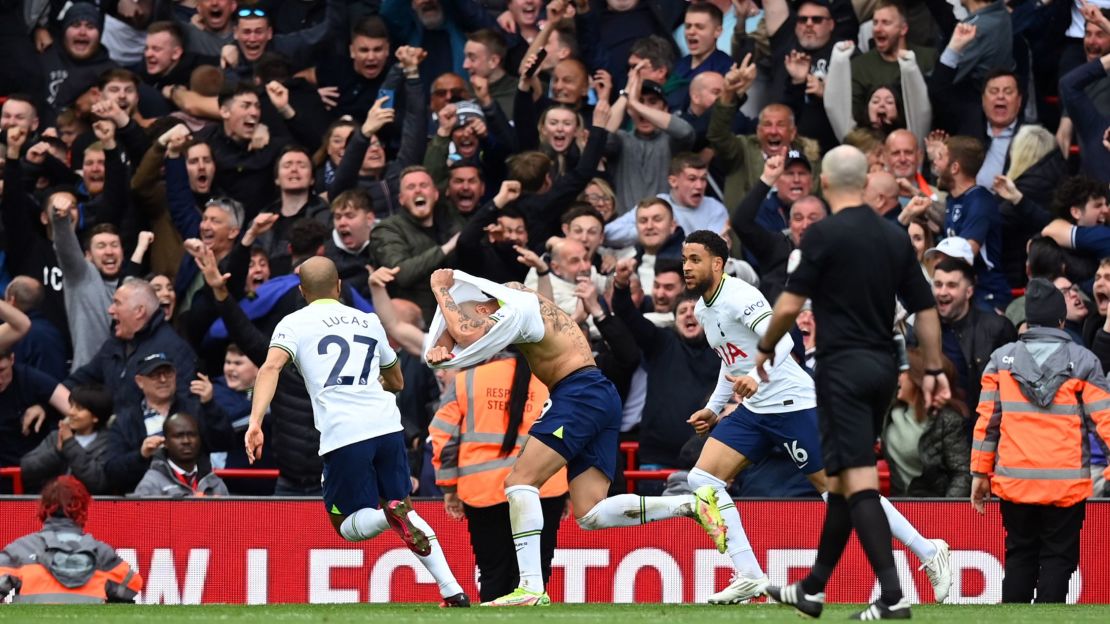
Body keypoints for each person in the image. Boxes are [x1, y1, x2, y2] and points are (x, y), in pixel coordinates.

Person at [423, 268, 727, 606]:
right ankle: (690, 503)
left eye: (478, 310)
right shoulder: (520, 301)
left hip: (577, 393)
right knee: (590, 512)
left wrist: (439, 289)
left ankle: (530, 589)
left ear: (485, 306)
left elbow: (466, 334)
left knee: (520, 481)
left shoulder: (517, 309)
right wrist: (440, 345)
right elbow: (459, 329)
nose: (478, 316)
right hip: (596, 391)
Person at [680, 230, 953, 605]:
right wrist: (714, 407)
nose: (687, 267)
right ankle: (749, 575)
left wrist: (755, 377)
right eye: (684, 259)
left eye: (695, 259)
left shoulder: (741, 297)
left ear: (717, 263)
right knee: (702, 478)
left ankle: (928, 551)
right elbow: (732, 362)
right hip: (756, 410)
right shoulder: (702, 309)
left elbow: (785, 343)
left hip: (793, 405)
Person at [754, 146, 951, 619]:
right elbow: (925, 309)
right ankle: (814, 589)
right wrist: (936, 369)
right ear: (865, 183)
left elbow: (786, 306)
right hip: (884, 369)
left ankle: (893, 594)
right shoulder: (894, 236)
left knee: (858, 479)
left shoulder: (822, 235)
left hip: (841, 369)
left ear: (824, 182)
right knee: (843, 479)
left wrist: (764, 350)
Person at [245, 257, 470, 608]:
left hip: (344, 432)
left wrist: (256, 421)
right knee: (406, 510)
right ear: (338, 286)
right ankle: (452, 590)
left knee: (347, 526)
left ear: (302, 291)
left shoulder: (293, 323)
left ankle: (386, 514)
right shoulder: (368, 320)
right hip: (386, 425)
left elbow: (271, 367)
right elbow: (396, 380)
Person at [971, 279, 1110, 603]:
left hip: (1015, 484)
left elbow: (987, 424)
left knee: (1020, 556)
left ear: (1028, 320)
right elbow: (1105, 421)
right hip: (1065, 487)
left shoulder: (1000, 361)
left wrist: (979, 474)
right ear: (1062, 320)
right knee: (1057, 560)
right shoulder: (1085, 361)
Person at [429, 353, 569, 603]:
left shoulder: (467, 379)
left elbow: (444, 438)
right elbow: (573, 434)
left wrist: (449, 487)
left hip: (484, 490)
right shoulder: (554, 381)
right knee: (535, 576)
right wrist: (568, 490)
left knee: (493, 572)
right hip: (543, 488)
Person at [0, 476, 143, 603]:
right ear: (83, 508)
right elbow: (133, 587)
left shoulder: (19, 549)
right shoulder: (103, 554)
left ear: (44, 507)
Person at [881, 351, 971, 498]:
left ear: (918, 378)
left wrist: (944, 510)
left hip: (931, 506)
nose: (898, 378)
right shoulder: (890, 414)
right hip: (898, 505)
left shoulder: (946, 420)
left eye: (902, 372)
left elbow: (962, 473)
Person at [20, 385, 113, 495]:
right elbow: (26, 469)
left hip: (90, 507)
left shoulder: (108, 443)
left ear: (95, 417)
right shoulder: (56, 436)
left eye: (79, 408)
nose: (71, 412)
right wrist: (57, 452)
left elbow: (98, 482)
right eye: (71, 406)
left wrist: (69, 444)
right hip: (51, 504)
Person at [132, 412, 229, 498]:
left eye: (192, 435)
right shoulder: (151, 483)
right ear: (165, 442)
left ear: (200, 439)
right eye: (178, 436)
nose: (186, 441)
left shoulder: (214, 481)